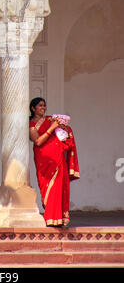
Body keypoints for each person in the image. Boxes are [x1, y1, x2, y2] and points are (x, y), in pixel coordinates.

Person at [29, 97, 80, 227]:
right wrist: (52, 128)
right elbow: (38, 141)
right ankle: (51, 216)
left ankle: (58, 217)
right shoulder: (31, 124)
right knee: (46, 186)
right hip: (44, 158)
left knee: (59, 185)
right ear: (33, 108)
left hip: (57, 156)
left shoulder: (51, 119)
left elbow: (65, 130)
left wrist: (64, 129)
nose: (43, 108)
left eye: (44, 105)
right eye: (40, 105)